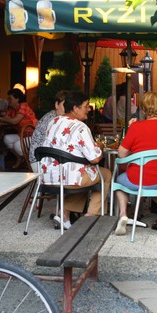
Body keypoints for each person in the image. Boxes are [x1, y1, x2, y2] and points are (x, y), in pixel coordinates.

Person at [39, 91, 111, 229]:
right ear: (75, 108)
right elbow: (95, 158)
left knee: (83, 172)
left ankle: (64, 215)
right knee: (105, 174)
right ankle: (90, 217)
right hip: (69, 178)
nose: (89, 109)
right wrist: (100, 146)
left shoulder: (53, 122)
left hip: (48, 176)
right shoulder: (80, 127)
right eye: (86, 106)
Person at [113, 91, 157, 236]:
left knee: (118, 182)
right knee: (154, 183)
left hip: (139, 179)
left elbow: (121, 154)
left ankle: (123, 214)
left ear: (143, 109)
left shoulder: (136, 127)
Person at [28, 90, 67, 172]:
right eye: (65, 105)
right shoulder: (53, 120)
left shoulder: (58, 117)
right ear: (56, 105)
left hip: (45, 156)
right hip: (39, 161)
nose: (68, 109)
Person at [1, 88, 37, 169]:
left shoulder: (24, 106)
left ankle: (30, 162)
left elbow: (14, 121)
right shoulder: (11, 110)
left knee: (17, 145)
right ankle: (20, 158)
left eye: (10, 99)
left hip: (32, 135)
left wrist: (0, 119)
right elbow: (7, 120)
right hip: (22, 135)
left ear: (17, 99)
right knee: (7, 138)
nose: (8, 101)